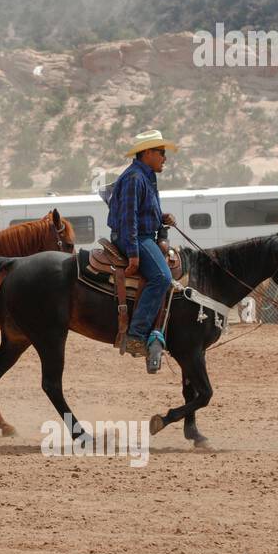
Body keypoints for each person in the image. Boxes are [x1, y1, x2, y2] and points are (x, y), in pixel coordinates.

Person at [107, 129, 178, 373]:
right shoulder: (135, 178)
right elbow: (129, 219)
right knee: (162, 277)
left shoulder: (146, 177)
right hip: (134, 238)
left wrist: (161, 217)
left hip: (142, 235)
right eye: (161, 152)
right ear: (147, 152)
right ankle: (136, 334)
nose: (164, 158)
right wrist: (134, 253)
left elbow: (142, 212)